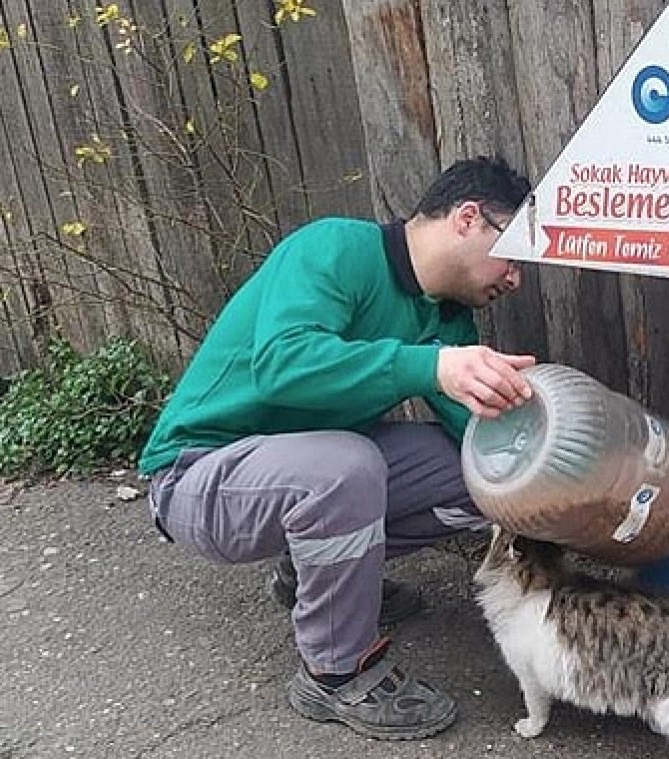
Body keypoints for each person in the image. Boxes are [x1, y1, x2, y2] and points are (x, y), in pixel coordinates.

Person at [138, 156, 536, 740]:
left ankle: (315, 578)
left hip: (302, 471)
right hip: (199, 473)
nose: (516, 278)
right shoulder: (333, 248)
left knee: (477, 478)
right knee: (343, 469)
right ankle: (335, 671)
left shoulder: (447, 319)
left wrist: (561, 479)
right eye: (517, 255)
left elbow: (476, 435)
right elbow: (282, 365)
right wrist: (427, 364)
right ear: (468, 218)